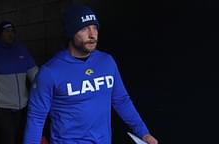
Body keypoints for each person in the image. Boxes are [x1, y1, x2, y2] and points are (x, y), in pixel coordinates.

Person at [23, 4, 158, 144]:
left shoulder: (107, 62)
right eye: (84, 28)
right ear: (71, 33)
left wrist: (143, 133)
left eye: (95, 28)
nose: (92, 34)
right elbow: (36, 118)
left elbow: (121, 100)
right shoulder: (50, 72)